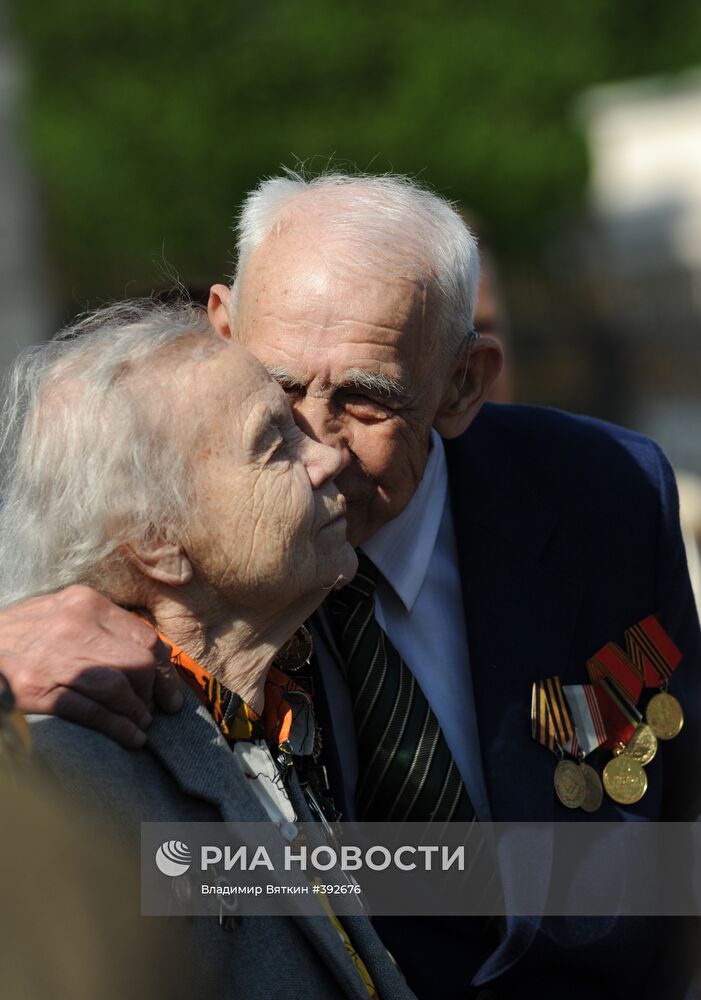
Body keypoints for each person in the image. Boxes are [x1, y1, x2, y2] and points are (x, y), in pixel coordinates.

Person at [2, 172, 701, 999]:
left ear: (463, 382)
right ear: (221, 328)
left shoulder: (598, 491)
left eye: (367, 400)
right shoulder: (154, 541)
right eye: (278, 389)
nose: (322, 443)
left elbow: (671, 839)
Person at [0, 298, 413, 1000]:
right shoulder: (69, 771)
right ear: (157, 544)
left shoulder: (267, 712)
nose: (328, 454)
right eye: (274, 442)